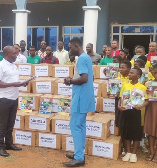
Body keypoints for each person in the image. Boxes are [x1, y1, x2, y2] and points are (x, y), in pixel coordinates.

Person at [63, 37, 95, 167]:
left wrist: (70, 81)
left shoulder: (82, 59)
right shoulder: (86, 58)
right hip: (85, 96)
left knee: (75, 125)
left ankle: (79, 157)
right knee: (80, 126)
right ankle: (79, 153)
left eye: (70, 47)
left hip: (81, 97)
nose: (69, 50)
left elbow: (84, 78)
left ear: (76, 45)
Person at [0, 46, 30, 157]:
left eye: (17, 53)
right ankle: (0, 147)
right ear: (7, 54)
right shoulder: (0, 66)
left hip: (13, 98)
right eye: (14, 53)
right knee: (3, 125)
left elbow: (13, 81)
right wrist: (14, 84)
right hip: (3, 99)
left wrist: (22, 83)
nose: (16, 55)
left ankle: (9, 143)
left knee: (11, 123)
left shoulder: (14, 66)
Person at [118, 68, 148, 163]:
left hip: (137, 112)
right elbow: (120, 97)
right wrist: (119, 106)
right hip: (126, 111)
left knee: (136, 132)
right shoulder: (125, 85)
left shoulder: (142, 87)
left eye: (132, 73)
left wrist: (141, 106)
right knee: (126, 132)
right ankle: (128, 152)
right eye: (129, 72)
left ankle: (134, 153)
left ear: (138, 76)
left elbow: (147, 101)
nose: (129, 74)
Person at [115, 60, 131, 156]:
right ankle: (121, 146)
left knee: (127, 126)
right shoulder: (116, 79)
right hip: (119, 104)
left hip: (129, 106)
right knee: (120, 124)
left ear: (129, 69)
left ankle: (127, 146)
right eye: (120, 67)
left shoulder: (131, 80)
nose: (120, 69)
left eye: (123, 68)